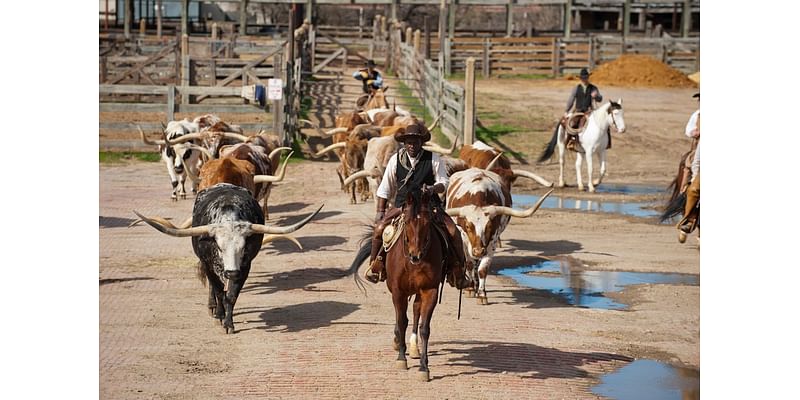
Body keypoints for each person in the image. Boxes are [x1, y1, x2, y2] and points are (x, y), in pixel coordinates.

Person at [364, 123, 467, 284]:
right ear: (404, 143)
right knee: (379, 229)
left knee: (454, 231)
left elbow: (444, 182)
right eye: (409, 142)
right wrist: (380, 212)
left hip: (429, 206)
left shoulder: (433, 159)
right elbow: (385, 188)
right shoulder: (395, 160)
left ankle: (458, 271)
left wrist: (433, 188)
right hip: (402, 206)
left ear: (422, 143)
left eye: (416, 142)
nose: (412, 145)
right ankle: (375, 266)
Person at [563, 68, 608, 149]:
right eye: (583, 78)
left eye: (586, 77)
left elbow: (600, 99)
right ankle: (571, 141)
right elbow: (571, 100)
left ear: (588, 77)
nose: (584, 79)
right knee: (573, 124)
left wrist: (596, 96)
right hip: (578, 111)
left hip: (590, 111)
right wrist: (567, 110)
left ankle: (607, 143)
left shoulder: (593, 88)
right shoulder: (576, 88)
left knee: (604, 123)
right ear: (580, 78)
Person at [677, 93, 700, 243]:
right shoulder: (698, 115)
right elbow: (688, 130)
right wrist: (695, 132)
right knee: (693, 187)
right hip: (698, 145)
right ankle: (689, 220)